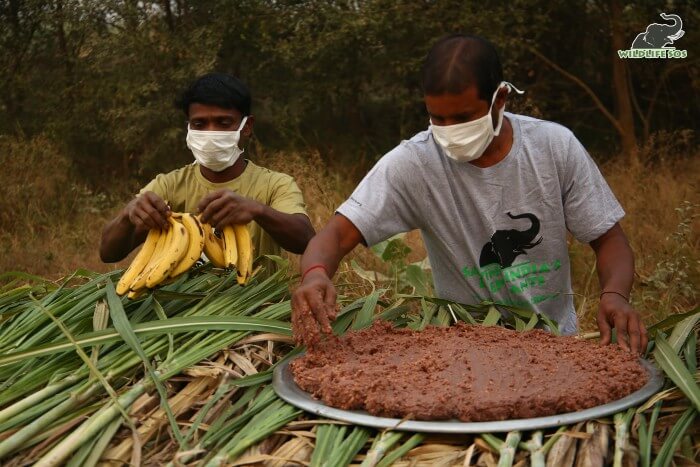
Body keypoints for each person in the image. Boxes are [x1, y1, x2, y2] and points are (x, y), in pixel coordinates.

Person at [292, 34, 648, 354]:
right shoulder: (414, 164)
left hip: (553, 344)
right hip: (461, 348)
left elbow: (609, 240)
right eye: (437, 118)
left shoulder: (554, 148)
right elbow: (336, 235)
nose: (449, 131)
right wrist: (316, 274)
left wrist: (614, 296)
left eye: (463, 117)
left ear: (500, 99)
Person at [100, 73, 315, 271]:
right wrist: (128, 215)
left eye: (223, 122)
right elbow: (109, 253)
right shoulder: (169, 186)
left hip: (257, 310)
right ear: (189, 128)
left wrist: (258, 210)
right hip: (185, 309)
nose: (211, 132)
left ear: (247, 127)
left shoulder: (275, 185)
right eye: (200, 124)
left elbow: (306, 239)